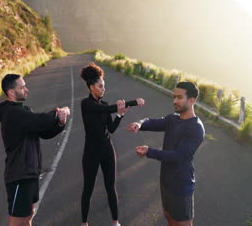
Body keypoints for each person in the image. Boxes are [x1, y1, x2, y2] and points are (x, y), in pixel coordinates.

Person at [0, 74, 70, 226]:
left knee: (28, 215)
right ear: (11, 93)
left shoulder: (24, 111)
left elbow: (44, 132)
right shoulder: (12, 113)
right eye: (22, 87)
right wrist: (58, 111)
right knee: (17, 220)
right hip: (18, 175)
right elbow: (40, 120)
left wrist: (60, 122)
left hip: (30, 172)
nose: (27, 90)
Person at [128, 82, 205, 226]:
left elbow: (179, 156)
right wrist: (140, 123)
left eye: (179, 97)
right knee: (169, 217)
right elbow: (152, 122)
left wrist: (149, 151)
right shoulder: (173, 119)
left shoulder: (196, 128)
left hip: (181, 185)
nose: (175, 101)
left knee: (182, 223)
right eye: (174, 97)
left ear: (192, 100)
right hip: (166, 180)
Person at [79, 62, 145, 226]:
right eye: (100, 86)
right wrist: (133, 102)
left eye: (104, 86)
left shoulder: (105, 105)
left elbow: (112, 129)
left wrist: (120, 115)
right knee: (88, 188)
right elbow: (104, 110)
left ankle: (115, 222)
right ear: (91, 87)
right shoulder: (86, 104)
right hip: (91, 152)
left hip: (107, 149)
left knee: (110, 186)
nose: (103, 89)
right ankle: (84, 223)